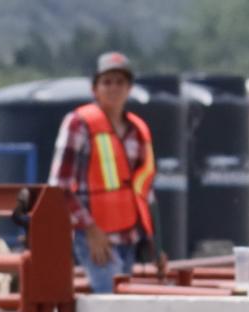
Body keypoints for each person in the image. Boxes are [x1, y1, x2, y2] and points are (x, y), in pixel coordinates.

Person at [49, 51, 168, 293]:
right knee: (110, 302)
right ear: (95, 88)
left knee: (122, 305)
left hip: (129, 239)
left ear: (129, 88)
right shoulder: (78, 123)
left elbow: (145, 193)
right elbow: (58, 186)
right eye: (107, 82)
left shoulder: (138, 130)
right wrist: (90, 230)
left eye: (120, 82)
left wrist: (155, 245)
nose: (114, 88)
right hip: (96, 239)